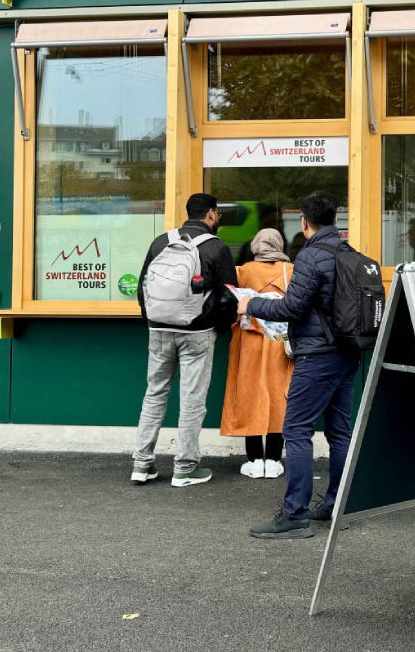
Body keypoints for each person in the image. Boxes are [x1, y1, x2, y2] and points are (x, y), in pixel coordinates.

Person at [237, 192, 361, 540]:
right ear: (335, 221)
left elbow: (291, 308)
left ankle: (295, 515)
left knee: (296, 430)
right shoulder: (350, 254)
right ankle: (337, 507)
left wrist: (251, 303)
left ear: (304, 224)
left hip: (318, 355)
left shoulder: (310, 256)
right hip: (349, 353)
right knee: (339, 433)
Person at [131, 193, 238, 487]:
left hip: (158, 331)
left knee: (154, 394)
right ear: (212, 215)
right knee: (192, 399)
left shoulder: (160, 242)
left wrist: (154, 319)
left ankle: (142, 464)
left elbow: (143, 288)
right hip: (198, 333)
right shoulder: (216, 247)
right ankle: (186, 467)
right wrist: (218, 325)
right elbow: (231, 295)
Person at [220, 229, 294, 479]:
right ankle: (273, 460)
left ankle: (253, 461)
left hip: (248, 341)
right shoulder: (291, 270)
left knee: (250, 394)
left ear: (255, 246)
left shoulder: (242, 271)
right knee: (278, 395)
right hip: (279, 342)